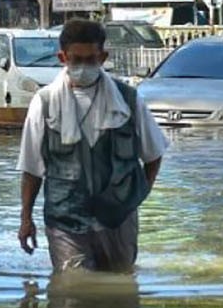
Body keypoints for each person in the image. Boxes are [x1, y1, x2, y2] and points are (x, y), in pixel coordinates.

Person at [17, 18, 167, 272]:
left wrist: (134, 198)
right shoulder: (44, 103)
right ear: (62, 58)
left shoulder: (128, 100)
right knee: (72, 292)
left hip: (119, 219)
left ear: (103, 57)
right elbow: (32, 169)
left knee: (120, 292)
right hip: (65, 220)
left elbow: (153, 156)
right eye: (76, 59)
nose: (83, 66)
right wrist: (25, 219)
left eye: (91, 59)